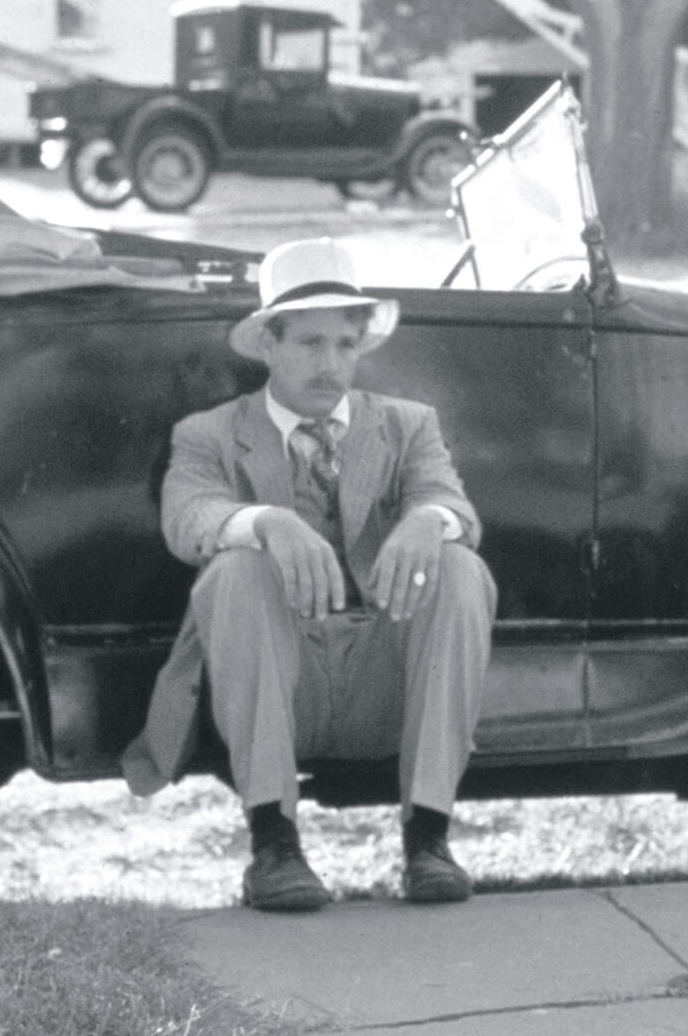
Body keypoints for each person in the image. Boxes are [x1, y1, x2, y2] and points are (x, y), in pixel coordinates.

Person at [123, 236, 497, 913]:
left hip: (384, 678)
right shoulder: (207, 434)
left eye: (346, 345)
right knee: (234, 572)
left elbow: (453, 504)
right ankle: (274, 847)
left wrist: (428, 519)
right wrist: (268, 521)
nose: (331, 364)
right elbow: (188, 520)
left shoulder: (408, 426)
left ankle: (428, 842)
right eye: (310, 343)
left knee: (461, 569)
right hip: (273, 681)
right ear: (269, 343)